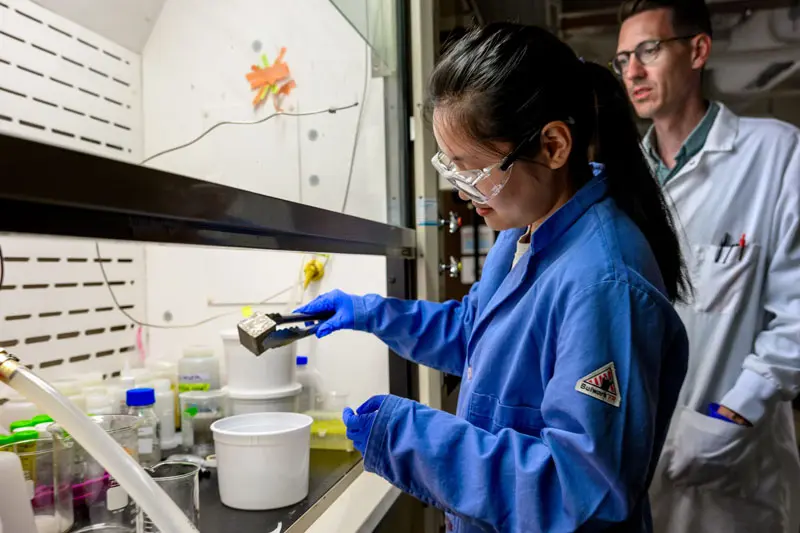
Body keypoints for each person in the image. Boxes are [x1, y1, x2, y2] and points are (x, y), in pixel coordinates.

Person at [297, 23, 690, 533]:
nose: (462, 192)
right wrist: (372, 312)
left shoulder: (604, 285)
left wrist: (413, 440)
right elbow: (477, 330)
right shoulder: (525, 225)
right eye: (451, 168)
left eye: (473, 171)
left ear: (553, 145)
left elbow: (580, 491)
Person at [614, 1, 800, 532]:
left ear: (697, 50)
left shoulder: (777, 155)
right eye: (624, 57)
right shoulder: (622, 182)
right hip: (636, 459)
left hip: (736, 468)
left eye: (648, 50)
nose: (633, 71)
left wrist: (735, 414)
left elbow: (796, 317)